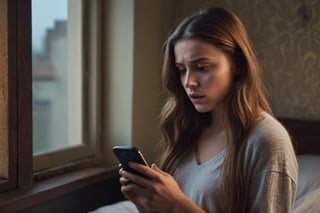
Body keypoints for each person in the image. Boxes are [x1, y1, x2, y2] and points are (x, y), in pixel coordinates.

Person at [93, 7, 298, 213]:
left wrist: (178, 204)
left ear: (237, 65)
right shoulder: (189, 128)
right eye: (182, 70)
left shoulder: (267, 141)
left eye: (202, 67)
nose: (189, 82)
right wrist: (148, 205)